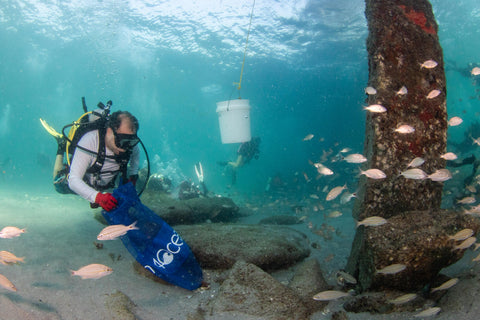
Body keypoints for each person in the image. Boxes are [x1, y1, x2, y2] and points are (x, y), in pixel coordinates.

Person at [51, 110, 140, 211]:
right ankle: (61, 146)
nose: (126, 147)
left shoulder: (131, 145)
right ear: (109, 131)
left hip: (108, 182)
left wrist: (133, 176)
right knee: (58, 186)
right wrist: (97, 197)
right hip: (86, 180)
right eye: (122, 140)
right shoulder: (89, 141)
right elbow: (73, 180)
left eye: (131, 141)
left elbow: (136, 155)